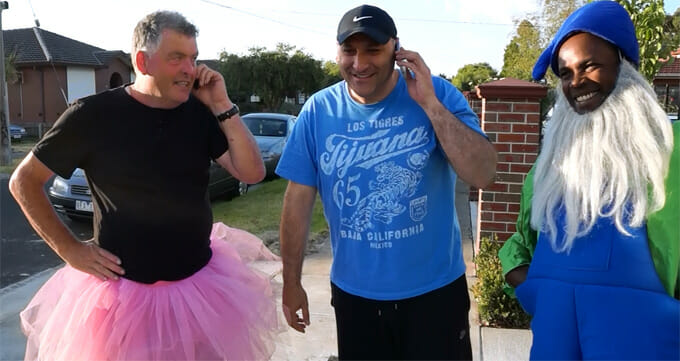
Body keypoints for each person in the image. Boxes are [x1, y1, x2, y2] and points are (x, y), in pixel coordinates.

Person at [9, 10, 280, 361]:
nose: (191, 69)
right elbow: (24, 182)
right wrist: (70, 250)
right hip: (121, 302)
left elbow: (251, 173)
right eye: (177, 58)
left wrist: (222, 105)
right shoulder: (91, 115)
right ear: (142, 61)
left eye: (193, 58)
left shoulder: (199, 113)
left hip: (199, 290)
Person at [275, 4, 497, 360]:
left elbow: (484, 173)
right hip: (356, 297)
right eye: (349, 50)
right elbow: (297, 202)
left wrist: (430, 105)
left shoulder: (436, 93)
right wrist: (291, 282)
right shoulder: (318, 111)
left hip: (435, 293)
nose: (359, 63)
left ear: (397, 50)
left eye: (373, 50)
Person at [499, 1, 679, 360]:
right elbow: (521, 243)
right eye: (565, 73)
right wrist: (543, 291)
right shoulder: (550, 165)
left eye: (590, 65)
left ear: (624, 66)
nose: (576, 82)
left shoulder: (669, 152)